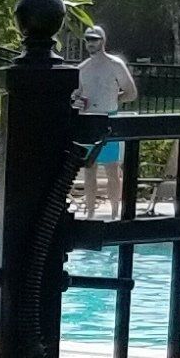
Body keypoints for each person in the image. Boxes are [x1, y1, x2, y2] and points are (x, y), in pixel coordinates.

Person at [73, 21, 137, 218]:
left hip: (108, 119)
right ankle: (90, 212)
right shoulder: (82, 68)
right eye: (87, 40)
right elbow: (76, 94)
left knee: (112, 169)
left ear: (103, 41)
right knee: (89, 168)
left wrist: (113, 98)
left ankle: (115, 213)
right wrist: (78, 101)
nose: (90, 43)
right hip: (88, 120)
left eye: (94, 39)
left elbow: (131, 92)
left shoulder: (115, 64)